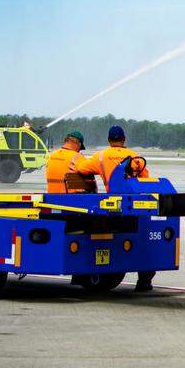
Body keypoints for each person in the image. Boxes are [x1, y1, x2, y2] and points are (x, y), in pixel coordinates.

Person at [77, 125, 154, 291]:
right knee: (144, 237)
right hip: (133, 206)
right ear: (124, 139)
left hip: (112, 207)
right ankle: (145, 279)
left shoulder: (101, 156)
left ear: (109, 140)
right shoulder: (134, 156)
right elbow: (145, 177)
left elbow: (81, 169)